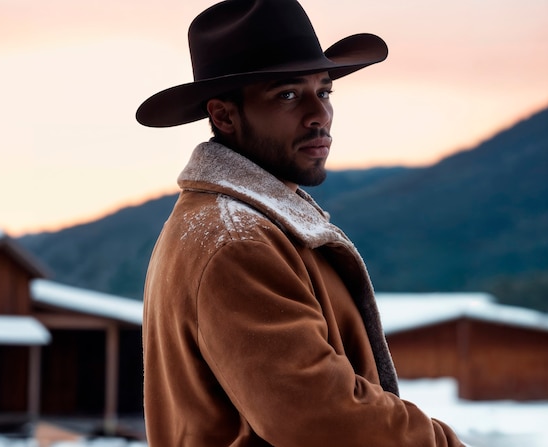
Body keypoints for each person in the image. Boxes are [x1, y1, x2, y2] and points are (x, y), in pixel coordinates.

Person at [137, 0, 465, 445]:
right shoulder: (237, 242)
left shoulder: (240, 226)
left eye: (324, 91)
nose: (319, 114)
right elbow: (321, 415)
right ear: (224, 115)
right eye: (288, 94)